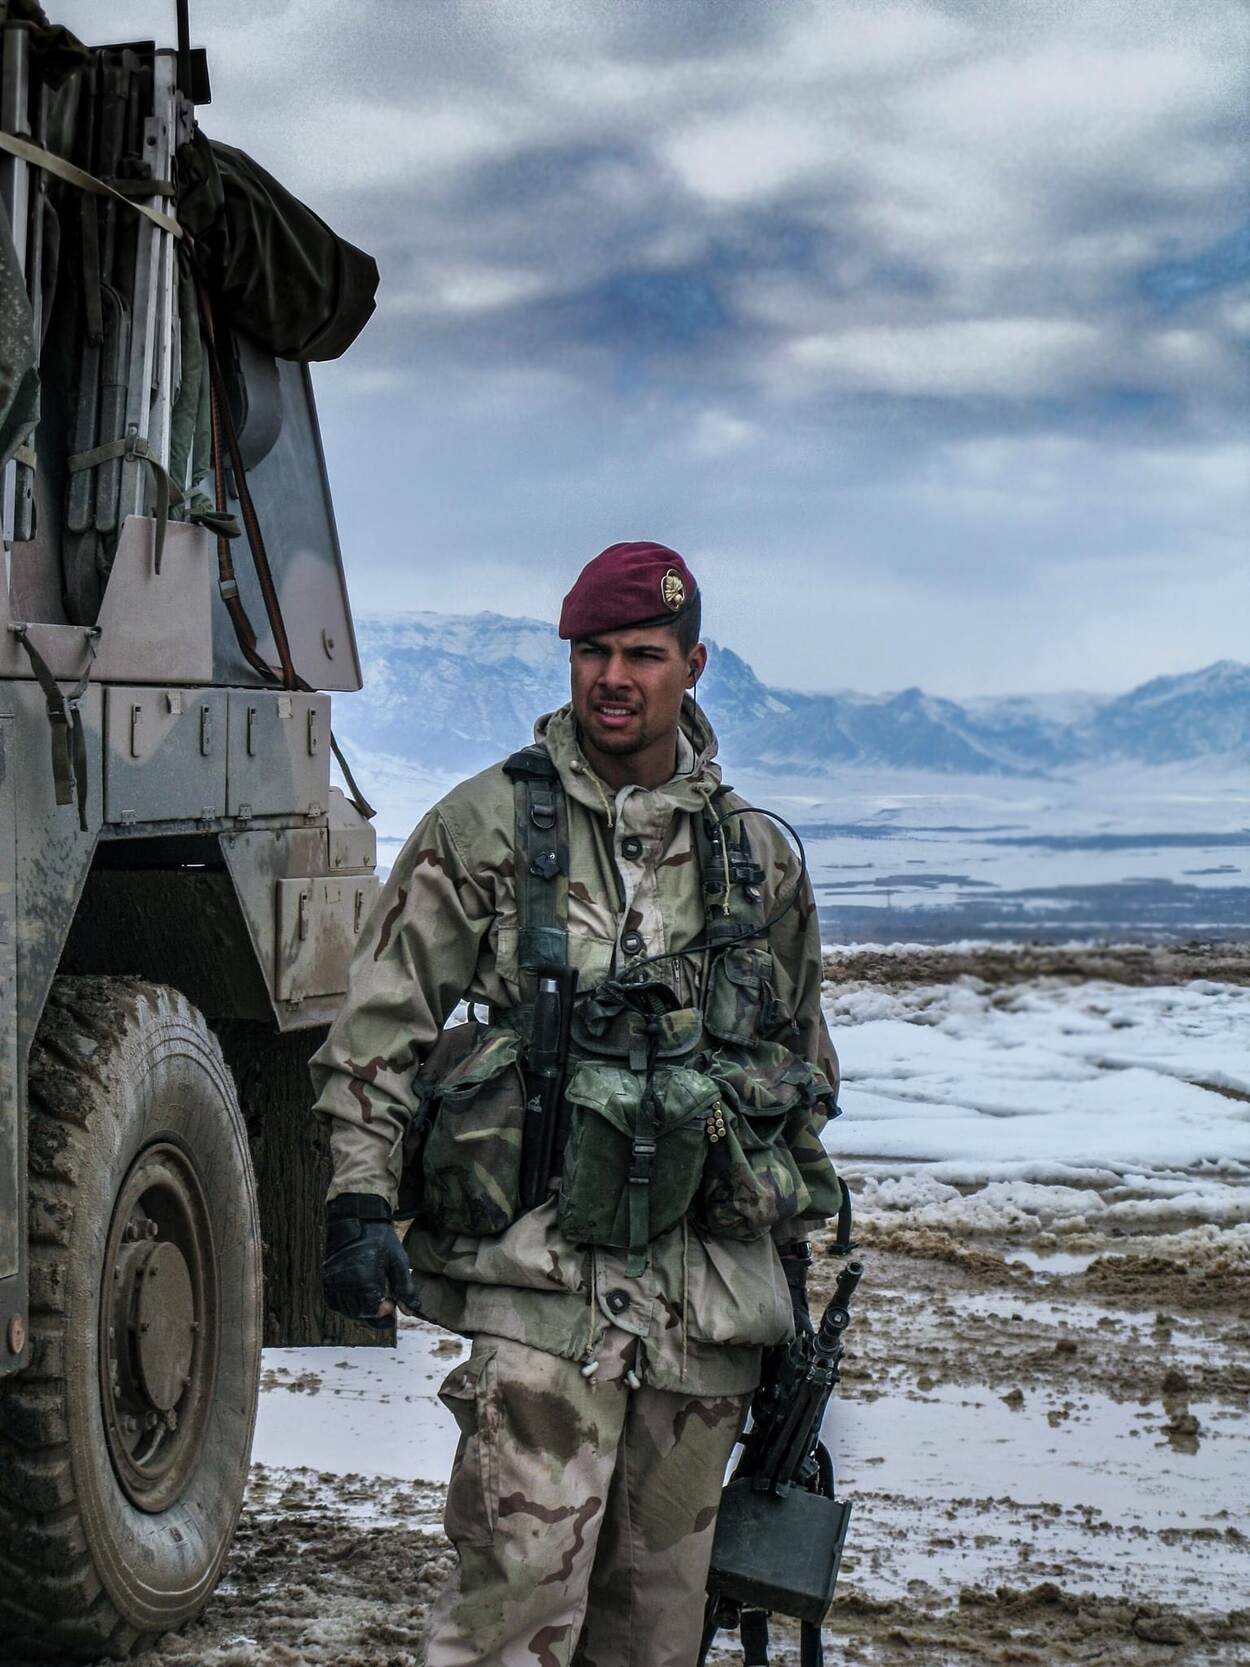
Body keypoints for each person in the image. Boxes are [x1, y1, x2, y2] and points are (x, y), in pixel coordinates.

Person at [311, 541, 844, 1667]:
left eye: (642, 653)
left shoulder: (757, 860)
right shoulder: (486, 825)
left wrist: (790, 1266)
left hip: (705, 1311)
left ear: (692, 665)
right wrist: (358, 1199)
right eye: (592, 650)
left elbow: (798, 1074)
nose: (613, 676)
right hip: (539, 1290)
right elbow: (378, 1027)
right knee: (512, 1616)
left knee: (656, 1632)